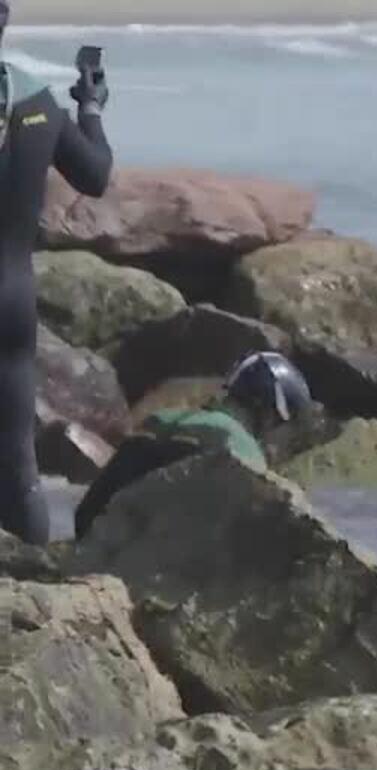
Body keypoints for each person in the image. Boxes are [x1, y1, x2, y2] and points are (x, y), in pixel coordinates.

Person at [1, 5, 114, 543]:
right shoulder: (36, 100)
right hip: (12, 301)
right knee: (17, 461)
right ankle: (35, 589)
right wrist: (90, 106)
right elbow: (94, 174)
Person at [73, 351, 313, 539]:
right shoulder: (240, 447)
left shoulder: (161, 420)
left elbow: (87, 512)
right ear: (269, 414)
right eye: (282, 427)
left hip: (98, 542)